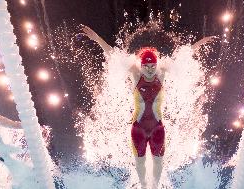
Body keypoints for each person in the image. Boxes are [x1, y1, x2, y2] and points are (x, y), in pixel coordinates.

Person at [81, 25, 215, 189]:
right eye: (146, 66)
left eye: (152, 66)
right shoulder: (135, 74)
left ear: (156, 65)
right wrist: (97, 39)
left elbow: (184, 58)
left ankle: (155, 186)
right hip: (138, 129)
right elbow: (112, 54)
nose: (150, 70)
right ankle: (144, 185)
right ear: (141, 65)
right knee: (140, 162)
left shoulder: (161, 73)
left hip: (158, 128)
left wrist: (200, 43)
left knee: (159, 162)